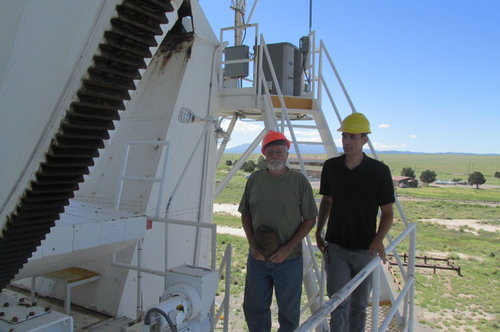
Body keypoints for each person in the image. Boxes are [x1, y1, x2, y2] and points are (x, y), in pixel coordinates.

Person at [315, 113, 395, 332]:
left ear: (364, 140)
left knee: (359, 306)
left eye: (353, 137)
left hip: (365, 249)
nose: (347, 141)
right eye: (345, 136)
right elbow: (327, 200)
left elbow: (388, 212)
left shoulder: (379, 172)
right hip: (337, 246)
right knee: (338, 303)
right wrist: (319, 230)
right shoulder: (331, 167)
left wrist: (378, 240)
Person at [238, 130, 318, 332]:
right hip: (257, 259)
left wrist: (287, 248)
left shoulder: (298, 182)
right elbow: (245, 214)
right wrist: (252, 245)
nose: (275, 156)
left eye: (279, 152)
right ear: (264, 154)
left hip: (289, 260)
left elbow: (310, 219)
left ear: (287, 154)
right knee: (254, 308)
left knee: (289, 313)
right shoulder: (254, 180)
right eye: (271, 152)